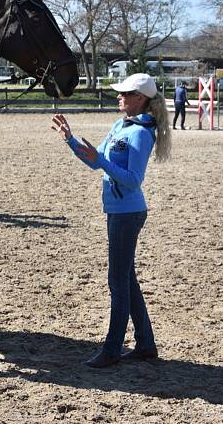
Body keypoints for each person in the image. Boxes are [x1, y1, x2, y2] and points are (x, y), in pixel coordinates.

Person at [51, 72, 171, 369]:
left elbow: (133, 179)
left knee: (117, 282)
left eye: (125, 94)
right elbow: (96, 160)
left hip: (127, 212)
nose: (119, 97)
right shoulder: (121, 125)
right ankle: (145, 344)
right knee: (126, 279)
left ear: (140, 99)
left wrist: (102, 161)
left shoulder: (142, 133)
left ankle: (113, 349)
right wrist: (71, 141)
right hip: (117, 211)